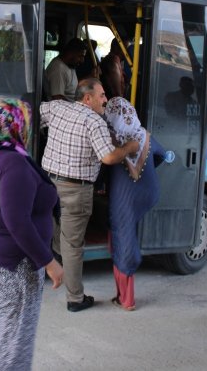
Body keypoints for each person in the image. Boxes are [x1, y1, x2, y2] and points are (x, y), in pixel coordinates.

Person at [0, 99, 64, 370]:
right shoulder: (13, 163)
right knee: (10, 355)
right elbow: (16, 221)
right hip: (10, 268)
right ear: (17, 125)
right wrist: (49, 262)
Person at [40, 78, 139, 312]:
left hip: (48, 183)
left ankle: (57, 249)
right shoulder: (95, 122)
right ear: (87, 98)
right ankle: (75, 298)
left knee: (56, 227)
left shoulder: (57, 107)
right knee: (73, 245)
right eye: (102, 95)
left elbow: (35, 112)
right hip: (76, 189)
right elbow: (108, 157)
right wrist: (130, 148)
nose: (105, 100)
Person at [104, 96, 167, 311]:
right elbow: (162, 155)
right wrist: (146, 172)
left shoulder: (112, 140)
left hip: (124, 197)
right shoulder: (143, 135)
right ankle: (123, 295)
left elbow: (104, 165)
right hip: (149, 192)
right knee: (128, 235)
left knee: (123, 240)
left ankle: (127, 299)